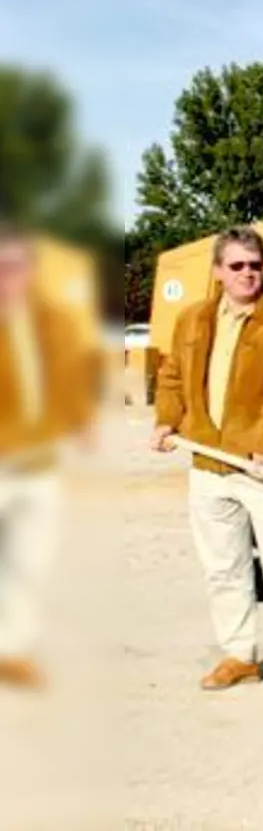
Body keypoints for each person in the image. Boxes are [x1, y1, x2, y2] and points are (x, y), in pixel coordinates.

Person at [149, 226, 263, 700]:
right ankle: (239, 656)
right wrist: (167, 421)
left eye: (254, 265)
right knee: (223, 568)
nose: (247, 273)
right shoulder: (192, 319)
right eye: (237, 266)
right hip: (208, 465)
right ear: (218, 272)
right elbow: (170, 376)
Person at [0, 222, 98, 690]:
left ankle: (15, 651)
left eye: (20, 267)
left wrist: (81, 422)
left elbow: (70, 374)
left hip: (41, 463)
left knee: (31, 562)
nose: (12, 276)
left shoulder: (51, 320)